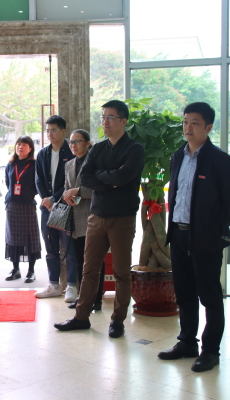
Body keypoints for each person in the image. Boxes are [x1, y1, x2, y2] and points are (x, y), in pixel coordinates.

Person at [157, 102, 230, 372]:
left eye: (194, 123)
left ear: (208, 127)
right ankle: (187, 342)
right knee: (184, 293)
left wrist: (214, 231)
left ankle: (211, 351)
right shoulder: (177, 156)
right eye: (185, 122)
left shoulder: (220, 160)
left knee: (210, 296)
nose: (188, 127)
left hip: (206, 239)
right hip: (179, 235)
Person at [53, 100, 143, 338]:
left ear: (123, 121)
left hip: (122, 218)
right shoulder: (98, 148)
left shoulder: (134, 149)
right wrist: (109, 180)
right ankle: (81, 317)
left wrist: (102, 178)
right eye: (103, 117)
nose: (105, 122)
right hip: (97, 215)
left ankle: (118, 320)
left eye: (110, 117)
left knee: (121, 271)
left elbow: (124, 177)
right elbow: (86, 178)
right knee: (89, 269)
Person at [35, 115, 78, 302]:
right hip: (47, 208)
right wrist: (46, 200)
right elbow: (38, 179)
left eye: (53, 130)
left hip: (65, 206)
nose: (50, 134)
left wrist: (54, 199)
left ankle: (71, 286)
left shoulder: (71, 152)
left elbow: (71, 182)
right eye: (47, 130)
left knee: (69, 248)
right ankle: (53, 284)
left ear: (63, 131)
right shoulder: (42, 154)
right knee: (50, 247)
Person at [62, 129, 105, 311]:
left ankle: (97, 300)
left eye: (77, 141)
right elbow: (66, 188)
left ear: (87, 143)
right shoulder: (69, 164)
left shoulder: (95, 162)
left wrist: (78, 191)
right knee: (79, 260)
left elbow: (99, 188)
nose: (73, 145)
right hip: (75, 218)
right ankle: (83, 298)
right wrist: (67, 196)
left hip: (93, 217)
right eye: (71, 142)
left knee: (95, 261)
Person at [4, 135, 41, 283]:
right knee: (13, 238)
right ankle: (15, 269)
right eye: (18, 144)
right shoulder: (11, 164)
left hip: (27, 205)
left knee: (30, 238)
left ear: (30, 148)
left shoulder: (35, 164)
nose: (20, 147)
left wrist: (28, 194)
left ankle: (31, 271)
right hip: (12, 205)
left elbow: (38, 184)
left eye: (24, 145)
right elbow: (8, 183)